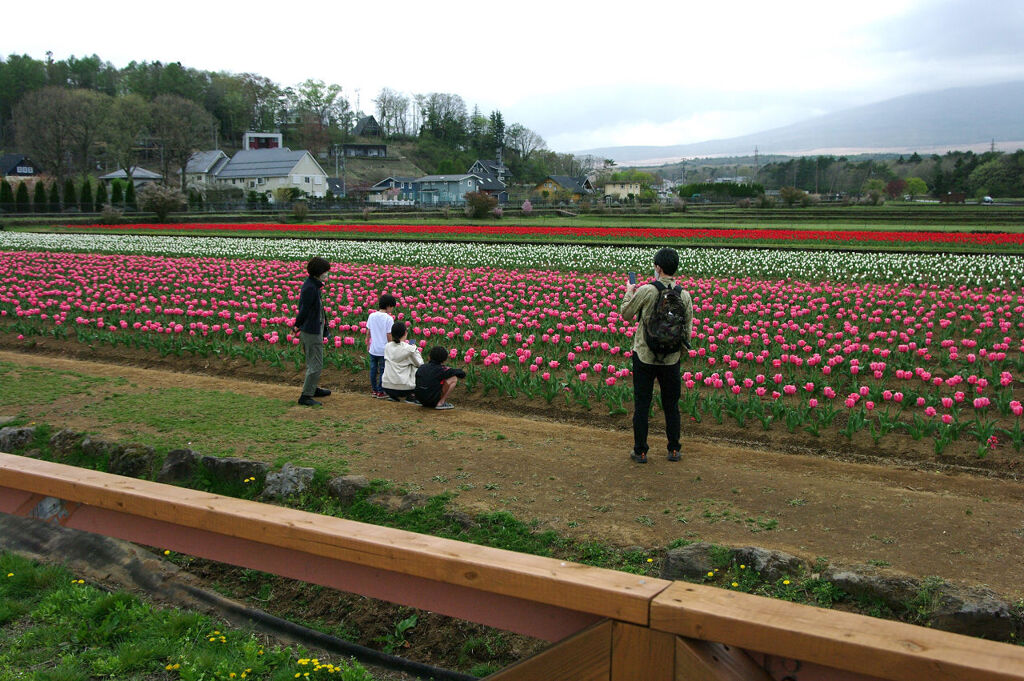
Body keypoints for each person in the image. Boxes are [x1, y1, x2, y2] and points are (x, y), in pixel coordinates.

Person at [619, 247, 693, 463]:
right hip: (671, 359)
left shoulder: (647, 290)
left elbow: (626, 314)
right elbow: (687, 331)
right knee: (671, 404)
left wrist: (629, 292)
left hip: (644, 355)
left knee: (642, 403)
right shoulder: (684, 295)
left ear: (658, 268)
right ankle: (674, 450)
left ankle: (641, 451)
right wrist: (676, 353)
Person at [294, 256, 332, 407]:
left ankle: (313, 388)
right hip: (311, 330)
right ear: (318, 272)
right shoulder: (310, 288)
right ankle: (306, 396)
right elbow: (304, 309)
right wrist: (297, 325)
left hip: (314, 328)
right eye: (325, 272)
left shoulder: (313, 285)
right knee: (316, 363)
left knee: (313, 361)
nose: (327, 274)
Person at [382, 321, 423, 404]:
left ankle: (393, 396)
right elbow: (420, 364)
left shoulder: (387, 346)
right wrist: (415, 350)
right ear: (405, 333)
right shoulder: (409, 349)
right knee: (415, 366)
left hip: (387, 387)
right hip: (404, 389)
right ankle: (411, 396)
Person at [414, 346, 466, 410]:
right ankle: (440, 403)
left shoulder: (422, 367)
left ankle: (424, 400)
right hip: (432, 401)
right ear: (444, 360)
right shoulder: (442, 370)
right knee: (453, 378)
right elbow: (462, 374)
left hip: (420, 399)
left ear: (429, 357)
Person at [366, 293, 396, 399]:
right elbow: (389, 334)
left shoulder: (372, 315)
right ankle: (380, 391)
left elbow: (368, 331)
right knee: (383, 370)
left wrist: (367, 342)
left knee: (373, 369)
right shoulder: (388, 318)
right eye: (392, 307)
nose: (392, 309)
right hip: (383, 350)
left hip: (373, 349)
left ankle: (374, 390)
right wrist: (391, 345)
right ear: (388, 306)